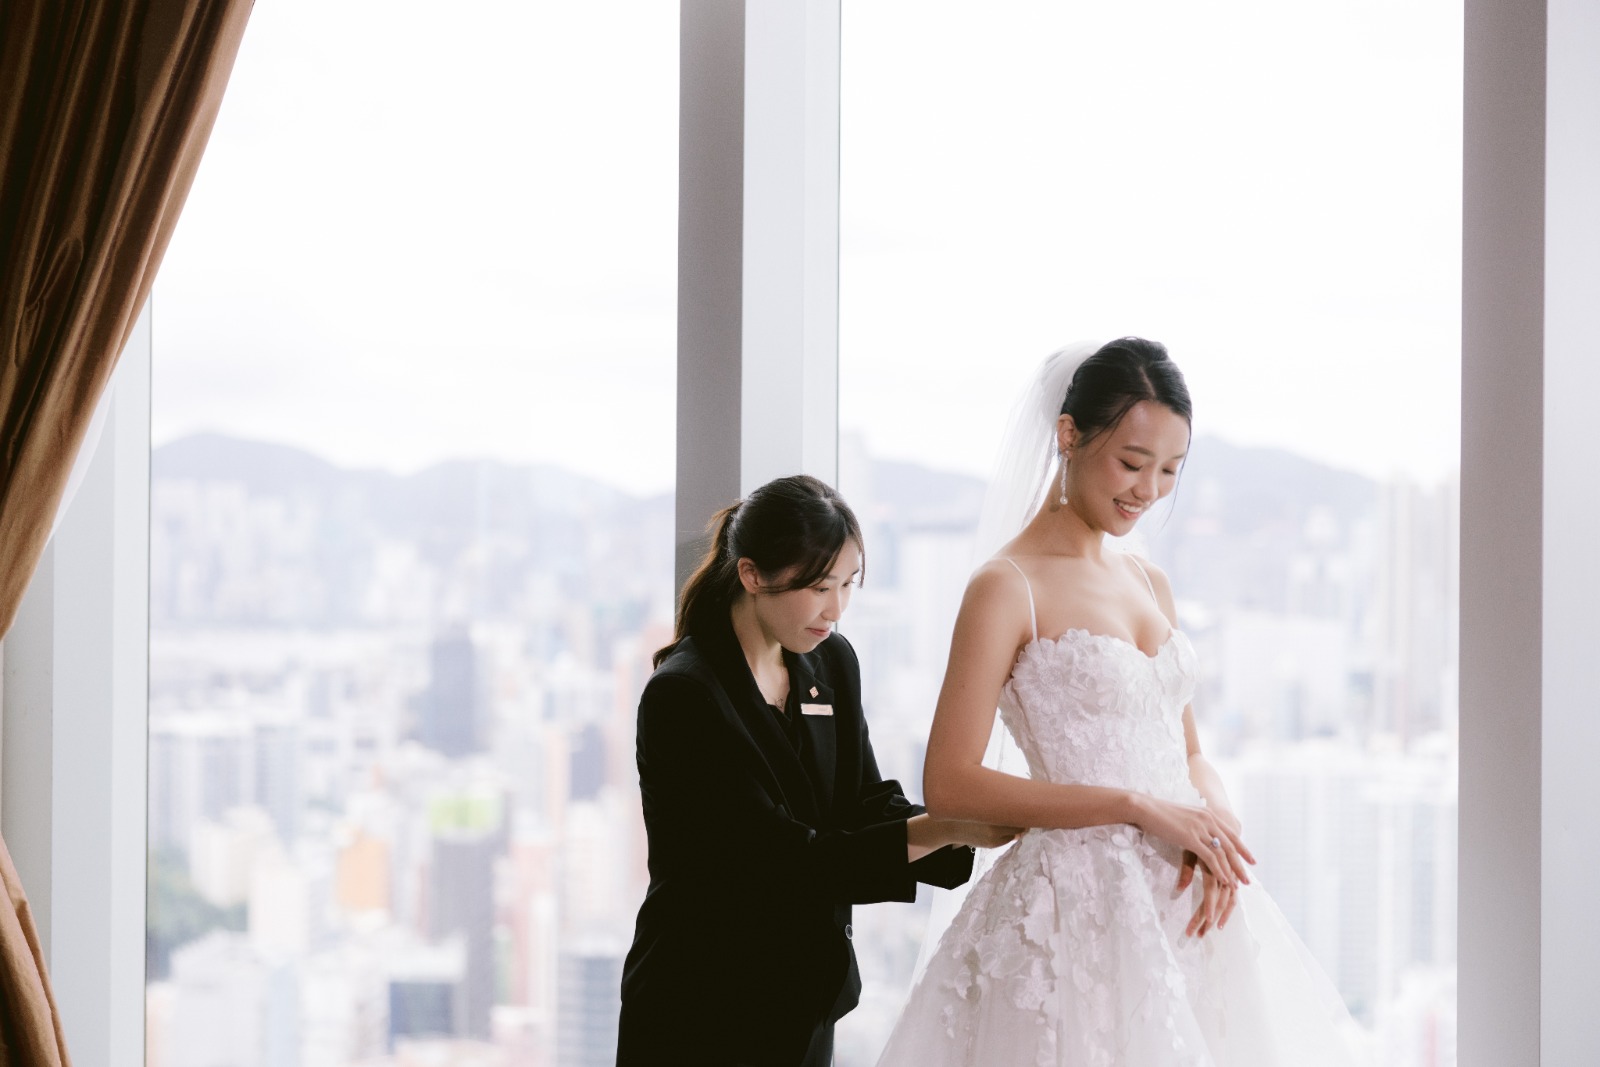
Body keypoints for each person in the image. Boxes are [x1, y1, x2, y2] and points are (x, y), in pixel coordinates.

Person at [875, 340, 1367, 1065]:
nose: (1148, 491)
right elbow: (950, 783)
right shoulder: (1007, 586)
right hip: (1073, 910)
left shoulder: (1148, 581)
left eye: (1170, 470)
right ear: (1068, 435)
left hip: (1188, 899)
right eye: (1132, 463)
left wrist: (1218, 828)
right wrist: (1136, 806)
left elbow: (1189, 753)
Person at [617, 474, 1016, 1067]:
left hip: (803, 1001)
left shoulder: (830, 661)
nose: (836, 609)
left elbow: (866, 802)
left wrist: (979, 824)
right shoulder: (684, 696)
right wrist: (945, 828)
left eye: (848, 584)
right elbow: (782, 864)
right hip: (700, 1007)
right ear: (752, 575)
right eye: (818, 586)